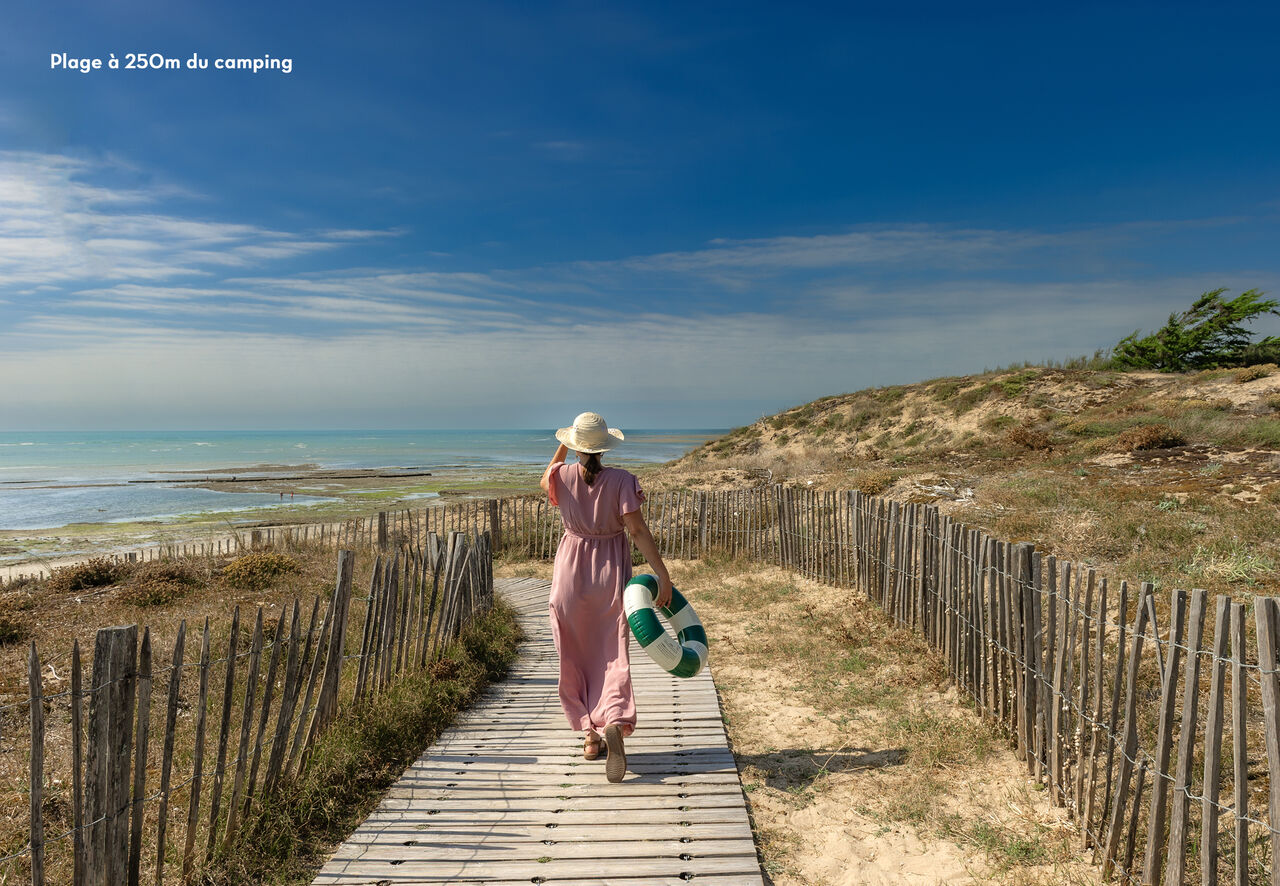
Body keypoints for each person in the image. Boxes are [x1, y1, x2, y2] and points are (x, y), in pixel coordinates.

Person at [541, 411, 673, 783]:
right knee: (612, 652)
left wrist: (565, 442)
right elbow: (637, 530)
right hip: (609, 574)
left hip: (568, 574)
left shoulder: (560, 475)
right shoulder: (622, 481)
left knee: (574, 653)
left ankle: (589, 736)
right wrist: (662, 574)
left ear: (575, 445)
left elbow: (544, 479)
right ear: (604, 446)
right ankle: (613, 719)